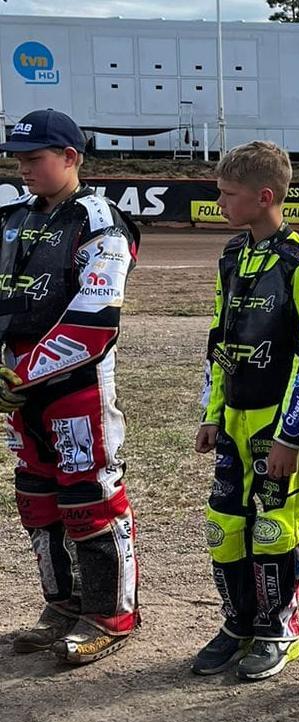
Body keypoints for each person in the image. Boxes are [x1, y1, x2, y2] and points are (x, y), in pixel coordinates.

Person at [0, 109, 141, 665]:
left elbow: (95, 320)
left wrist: (22, 372)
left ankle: (110, 616)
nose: (22, 167)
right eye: (17, 158)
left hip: (76, 385)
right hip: (16, 388)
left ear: (70, 157)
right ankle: (61, 606)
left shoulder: (100, 221)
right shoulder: (10, 217)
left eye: (34, 158)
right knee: (35, 497)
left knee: (90, 497)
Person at [192, 141, 299, 681]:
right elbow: (218, 340)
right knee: (224, 525)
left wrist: (290, 436)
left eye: (228, 194)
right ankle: (238, 625)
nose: (220, 203)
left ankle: (279, 630)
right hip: (232, 418)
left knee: (273, 527)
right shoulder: (231, 256)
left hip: (277, 423)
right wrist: (211, 413)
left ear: (265, 196)